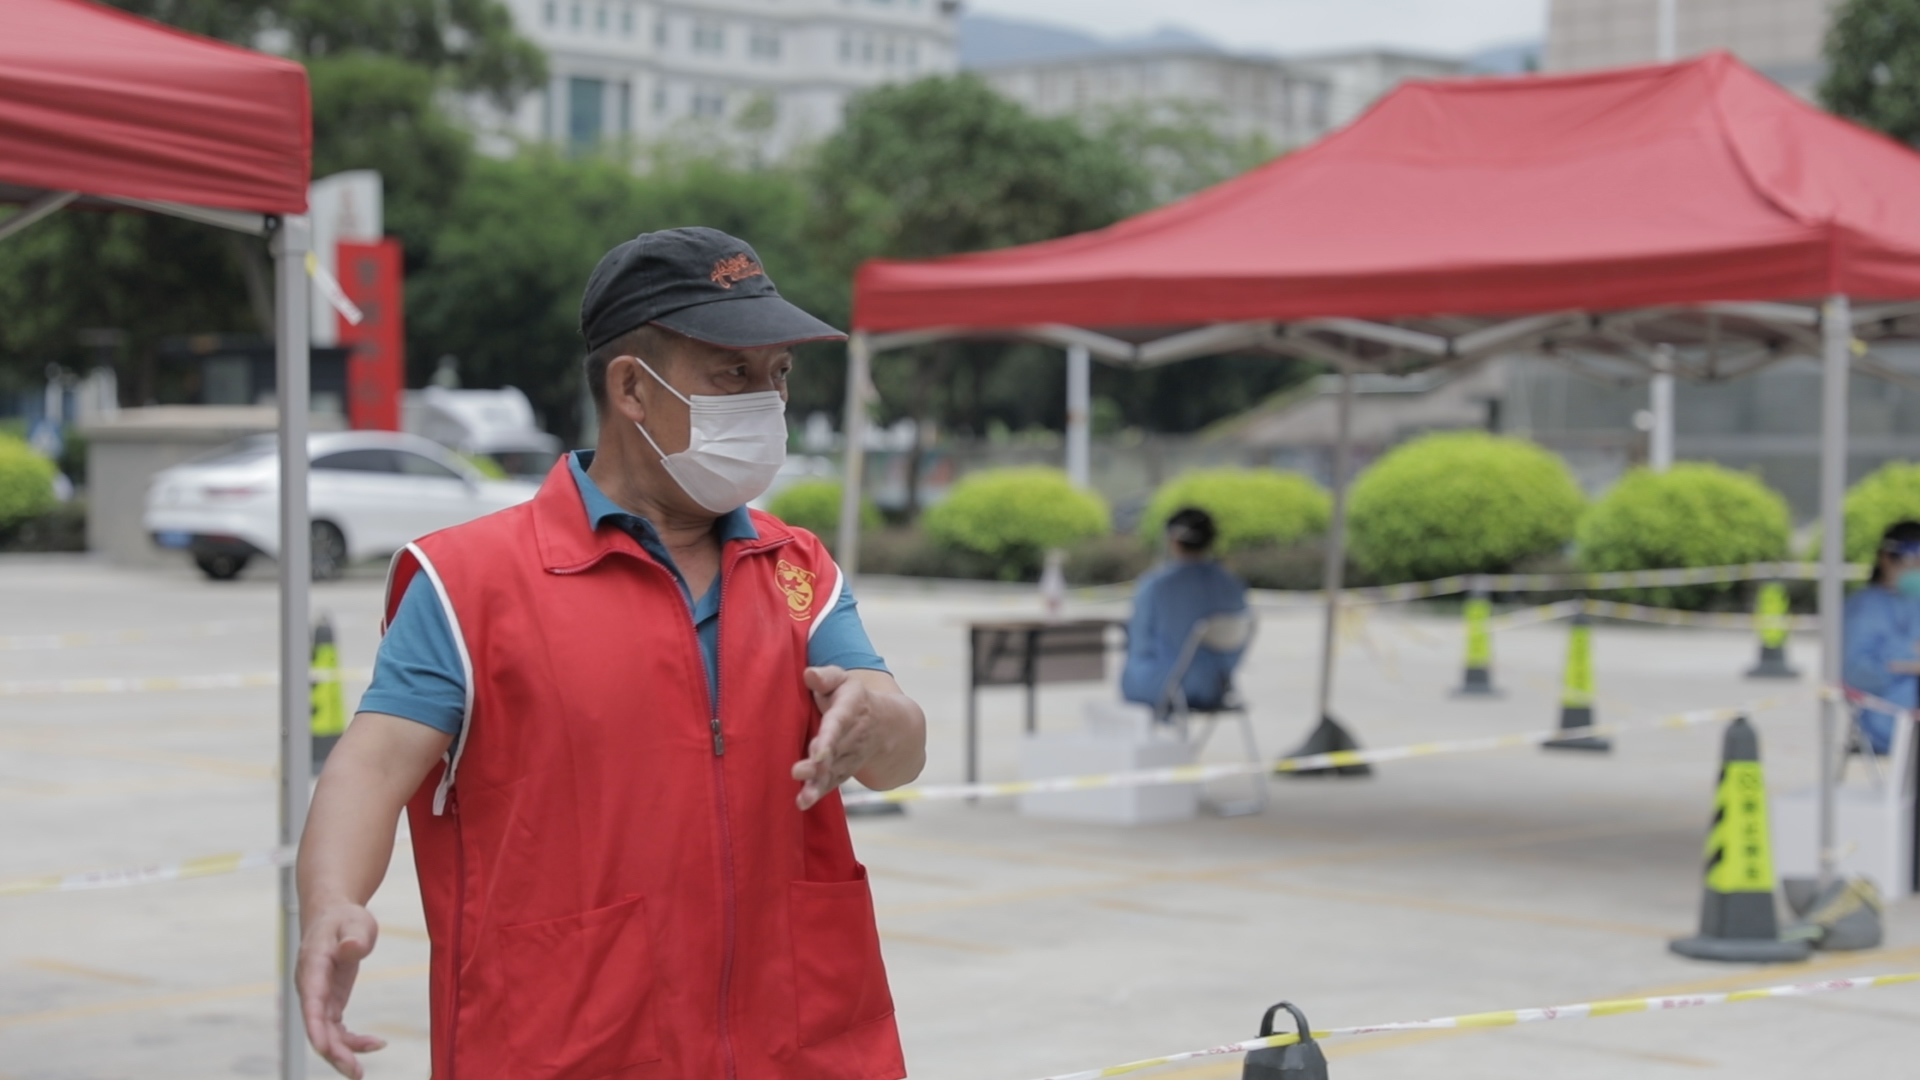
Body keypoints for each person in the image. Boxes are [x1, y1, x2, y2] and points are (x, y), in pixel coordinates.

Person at [295, 227, 926, 1080]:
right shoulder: (469, 581)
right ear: (632, 387)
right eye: (732, 374)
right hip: (569, 1041)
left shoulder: (796, 567)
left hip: (798, 1041)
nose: (765, 402)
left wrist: (878, 718)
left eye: (777, 376)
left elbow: (895, 749)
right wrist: (333, 902)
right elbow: (370, 768)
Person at [1120, 507, 1249, 716]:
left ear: (1172, 540)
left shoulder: (1156, 586)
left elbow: (1140, 641)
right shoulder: (1233, 585)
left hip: (1164, 687)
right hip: (1215, 687)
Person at [1843, 519, 1920, 755]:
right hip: (1889, 717)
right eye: (1912, 561)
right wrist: (1907, 662)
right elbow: (1853, 673)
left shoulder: (1913, 601)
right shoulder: (1863, 608)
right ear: (1886, 559)